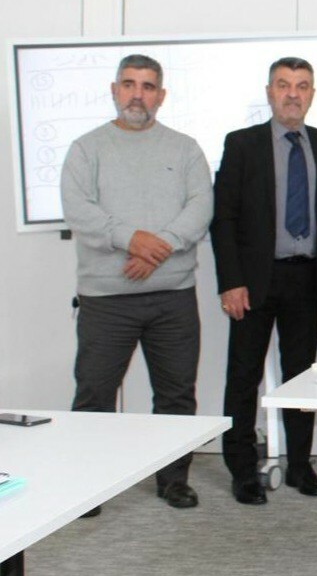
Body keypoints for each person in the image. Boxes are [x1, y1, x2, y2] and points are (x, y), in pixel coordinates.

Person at [61, 54, 213, 513]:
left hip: (172, 298)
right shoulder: (86, 148)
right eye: (129, 84)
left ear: (161, 96)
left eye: (147, 87)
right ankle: (88, 488)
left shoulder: (185, 149)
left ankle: (174, 481)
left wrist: (157, 248)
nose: (137, 95)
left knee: (176, 396)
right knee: (94, 395)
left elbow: (200, 207)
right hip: (106, 300)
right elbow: (79, 210)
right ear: (114, 90)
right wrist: (132, 239)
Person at [211, 57, 317, 506]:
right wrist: (230, 281)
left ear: (312, 95)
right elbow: (224, 218)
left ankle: (300, 464)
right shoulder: (242, 144)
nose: (292, 94)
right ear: (269, 92)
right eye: (284, 85)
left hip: (307, 278)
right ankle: (242, 469)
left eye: (302, 86)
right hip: (252, 282)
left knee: (301, 377)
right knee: (243, 376)